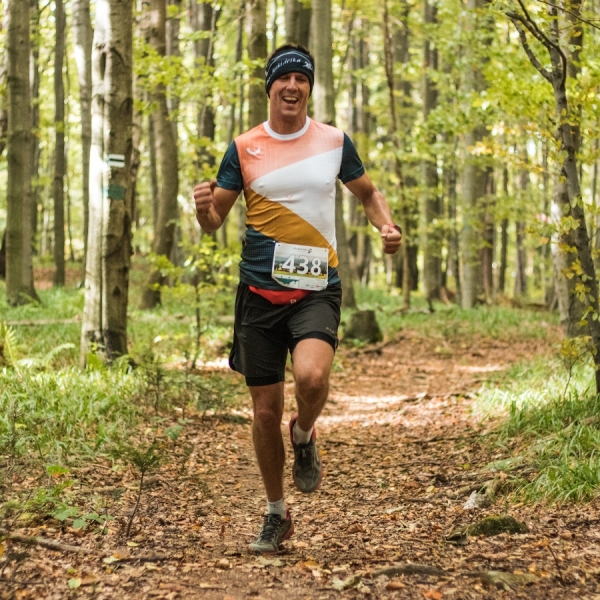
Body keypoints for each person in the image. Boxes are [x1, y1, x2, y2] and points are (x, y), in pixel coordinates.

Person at [193, 44, 401, 553]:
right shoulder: (244, 148)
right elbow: (215, 219)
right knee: (264, 413)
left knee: (311, 378)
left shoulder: (333, 141)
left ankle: (304, 433)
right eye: (284, 78)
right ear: (270, 87)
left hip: (316, 290)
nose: (293, 86)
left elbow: (368, 193)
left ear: (309, 88)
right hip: (258, 295)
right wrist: (201, 210)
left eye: (302, 79)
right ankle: (275, 513)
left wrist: (386, 225)